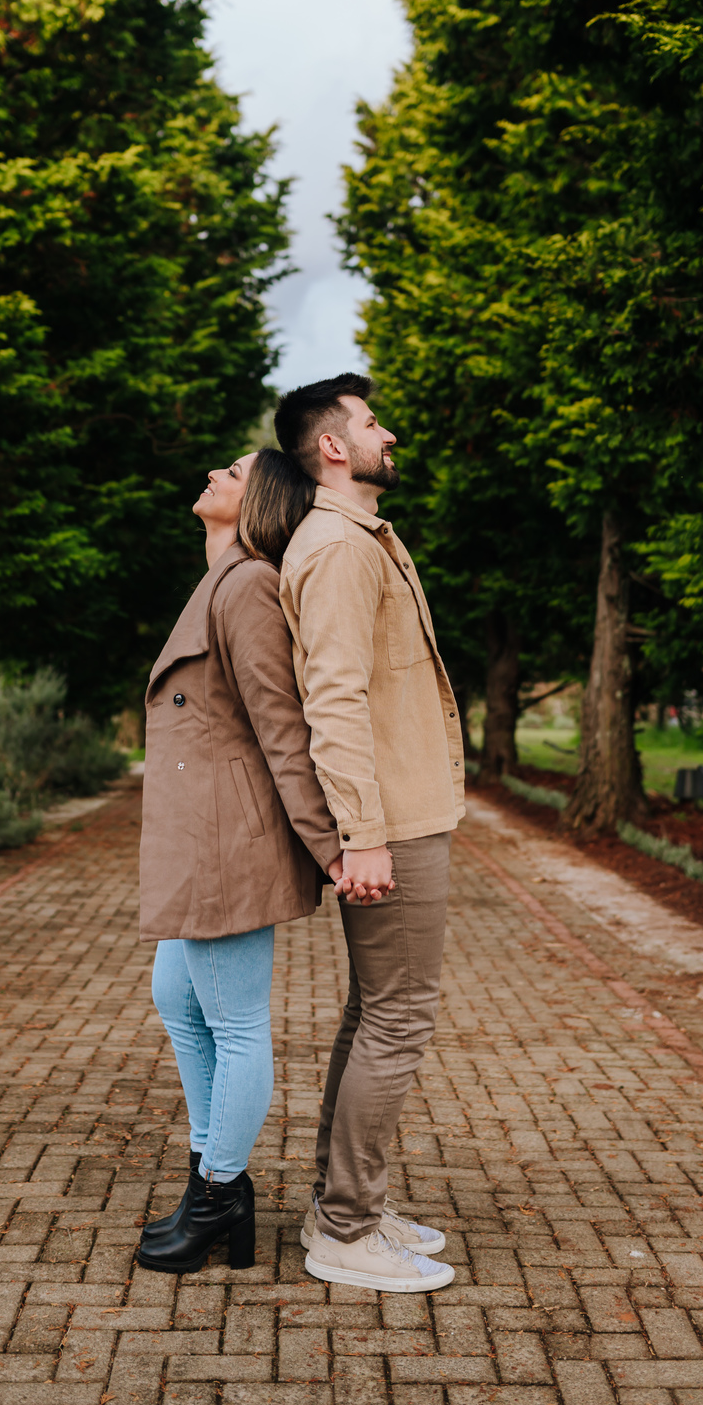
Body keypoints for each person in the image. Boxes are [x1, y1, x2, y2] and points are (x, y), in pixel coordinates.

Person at [275, 374, 465, 1294]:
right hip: (392, 819)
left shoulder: (361, 539)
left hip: (401, 811)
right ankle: (347, 1231)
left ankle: (340, 1207)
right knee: (398, 1018)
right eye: (373, 422)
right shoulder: (339, 549)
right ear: (334, 447)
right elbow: (335, 700)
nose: (390, 434)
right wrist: (364, 833)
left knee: (375, 1012)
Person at [136, 447, 344, 1274]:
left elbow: (282, 728)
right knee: (175, 997)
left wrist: (331, 849)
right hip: (198, 834)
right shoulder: (220, 579)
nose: (216, 473)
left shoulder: (250, 583)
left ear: (259, 501)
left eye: (234, 470)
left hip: (227, 838)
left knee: (234, 1020)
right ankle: (212, 1170)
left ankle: (219, 1192)